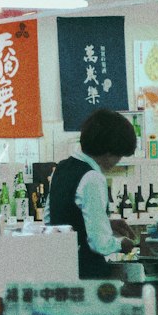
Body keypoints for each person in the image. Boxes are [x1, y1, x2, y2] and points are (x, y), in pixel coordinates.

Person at [45, 108, 138, 278]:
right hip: (87, 273)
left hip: (62, 269)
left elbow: (53, 220)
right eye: (119, 155)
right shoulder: (92, 177)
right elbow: (100, 243)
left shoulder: (61, 168)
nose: (118, 161)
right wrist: (122, 243)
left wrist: (105, 223)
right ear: (109, 152)